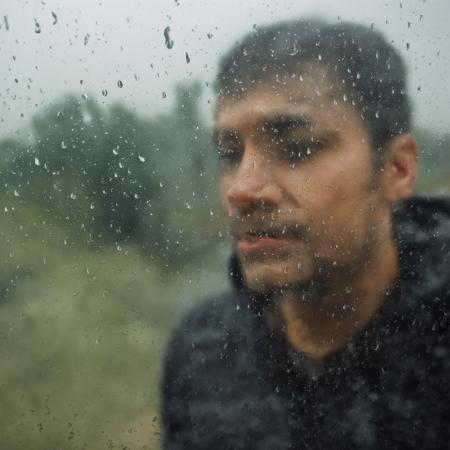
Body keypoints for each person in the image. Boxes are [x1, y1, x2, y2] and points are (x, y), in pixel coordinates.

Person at [161, 19, 450, 450]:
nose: (242, 189)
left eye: (297, 147)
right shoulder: (202, 350)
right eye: (229, 154)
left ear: (397, 169)